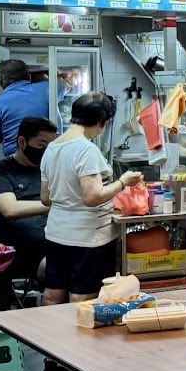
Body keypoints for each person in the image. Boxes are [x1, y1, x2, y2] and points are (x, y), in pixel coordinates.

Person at [39, 94, 143, 304]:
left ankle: (49, 336)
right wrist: (123, 182)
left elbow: (46, 197)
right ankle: (79, 337)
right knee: (83, 296)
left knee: (53, 293)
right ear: (100, 122)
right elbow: (92, 197)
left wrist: (67, 196)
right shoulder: (86, 149)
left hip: (56, 232)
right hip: (88, 237)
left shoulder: (52, 148)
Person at [0, 116, 57, 297]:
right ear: (22, 142)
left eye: (52, 145)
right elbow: (10, 209)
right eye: (42, 144)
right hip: (20, 252)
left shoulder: (50, 170)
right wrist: (55, 204)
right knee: (60, 269)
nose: (47, 151)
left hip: (55, 241)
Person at [0, 60, 52, 158]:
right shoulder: (46, 88)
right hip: (48, 158)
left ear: (1, 80)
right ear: (28, 75)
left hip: (16, 162)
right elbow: (66, 86)